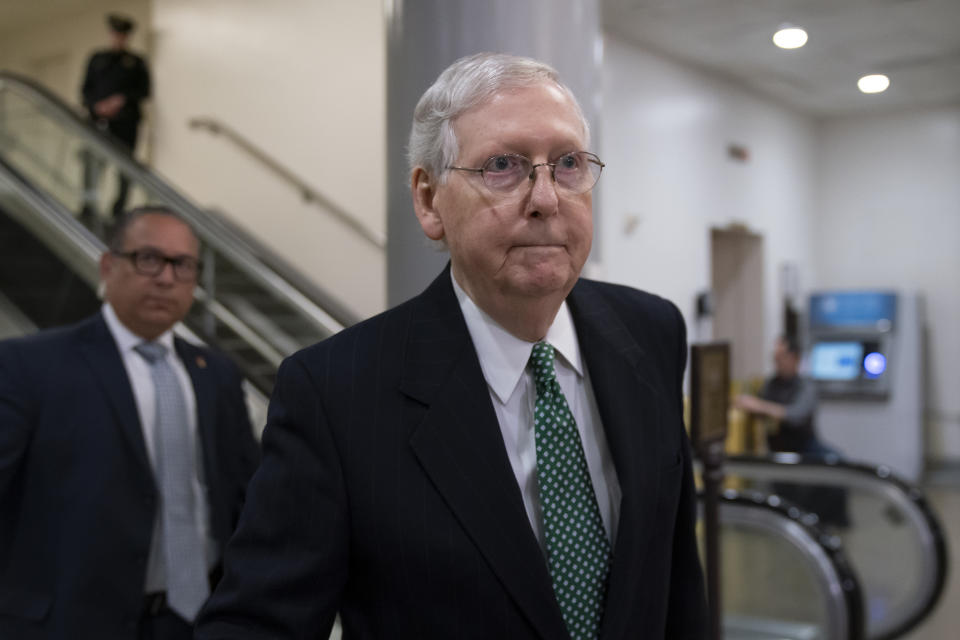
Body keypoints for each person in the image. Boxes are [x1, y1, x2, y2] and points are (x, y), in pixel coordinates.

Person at [196, 53, 707, 639]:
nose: (546, 198)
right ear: (429, 199)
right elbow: (256, 624)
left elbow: (675, 584)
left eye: (567, 163)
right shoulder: (335, 394)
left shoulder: (650, 332)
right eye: (502, 166)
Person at [0, 207, 260, 639]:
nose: (166, 278)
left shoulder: (215, 374)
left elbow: (245, 494)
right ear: (108, 265)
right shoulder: (30, 366)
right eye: (149, 259)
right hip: (67, 624)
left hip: (194, 621)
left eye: (183, 265)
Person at [735, 335, 849, 527]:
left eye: (782, 357)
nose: (778, 363)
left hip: (806, 446)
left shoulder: (806, 387)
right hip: (779, 450)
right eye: (775, 358)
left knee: (837, 463)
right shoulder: (770, 385)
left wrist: (760, 406)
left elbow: (795, 415)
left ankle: (829, 521)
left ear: (794, 358)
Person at [80, 14, 151, 219]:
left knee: (124, 167)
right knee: (92, 163)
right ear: (110, 34)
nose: (118, 38)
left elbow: (144, 91)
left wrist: (122, 100)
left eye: (122, 35)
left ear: (127, 37)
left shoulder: (136, 62)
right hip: (98, 121)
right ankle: (88, 206)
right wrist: (97, 106)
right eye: (115, 34)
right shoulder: (97, 59)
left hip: (126, 122)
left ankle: (119, 210)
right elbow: (85, 90)